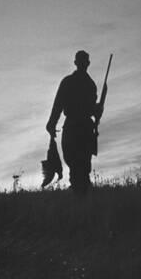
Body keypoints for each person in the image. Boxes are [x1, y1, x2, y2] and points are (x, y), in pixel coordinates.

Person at [46, 50, 103, 194]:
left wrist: (52, 124)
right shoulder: (89, 85)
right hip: (81, 129)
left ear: (77, 63)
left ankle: (79, 198)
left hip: (76, 128)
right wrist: (51, 124)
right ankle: (81, 198)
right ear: (83, 63)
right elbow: (58, 105)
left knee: (79, 167)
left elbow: (58, 105)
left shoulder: (74, 82)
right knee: (80, 167)